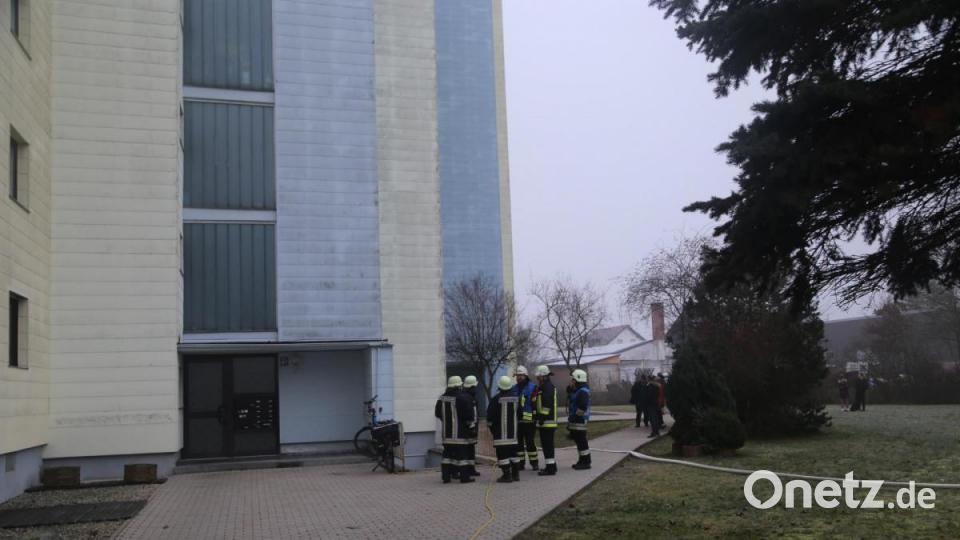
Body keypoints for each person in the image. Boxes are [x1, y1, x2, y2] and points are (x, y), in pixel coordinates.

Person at [434, 376, 476, 484]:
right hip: (460, 434)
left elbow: (437, 413)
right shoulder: (463, 398)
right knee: (462, 457)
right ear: (459, 385)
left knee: (446, 456)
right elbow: (469, 415)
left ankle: (446, 477)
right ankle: (464, 478)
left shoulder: (441, 398)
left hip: (446, 435)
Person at [487, 375, 522, 483]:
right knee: (514, 454)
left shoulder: (495, 399)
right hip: (514, 435)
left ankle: (507, 476)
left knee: (502, 456)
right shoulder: (517, 399)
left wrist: (492, 429)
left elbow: (490, 417)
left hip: (500, 434)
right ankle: (516, 475)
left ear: (500, 387)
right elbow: (520, 415)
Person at [533, 364, 559, 476]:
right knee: (547, 446)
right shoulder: (545, 386)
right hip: (547, 421)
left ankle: (550, 469)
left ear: (543, 376)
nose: (537, 378)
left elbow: (547, 404)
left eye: (539, 376)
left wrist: (542, 417)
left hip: (547, 422)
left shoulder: (547, 387)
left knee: (547, 446)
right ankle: (552, 466)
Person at [513, 366, 539, 470]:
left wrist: (535, 416)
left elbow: (536, 404)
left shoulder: (533, 387)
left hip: (529, 421)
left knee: (530, 443)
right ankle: (520, 463)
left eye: (521, 375)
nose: (519, 377)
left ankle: (534, 463)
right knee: (518, 444)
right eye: (517, 376)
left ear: (526, 376)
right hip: (517, 421)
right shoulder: (514, 388)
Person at [567, 369, 592, 470]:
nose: (571, 382)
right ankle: (582, 460)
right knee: (579, 442)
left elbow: (582, 406)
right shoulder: (580, 390)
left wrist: (576, 417)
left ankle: (586, 462)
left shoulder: (582, 392)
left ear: (577, 379)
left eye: (572, 380)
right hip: (577, 421)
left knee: (582, 442)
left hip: (579, 421)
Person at [462, 375, 481, 477]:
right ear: (472, 387)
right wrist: (472, 427)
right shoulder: (470, 398)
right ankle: (469, 470)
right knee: (468, 450)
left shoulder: (466, 396)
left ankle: (470, 469)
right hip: (470, 429)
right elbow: (472, 415)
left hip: (468, 428)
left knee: (469, 449)